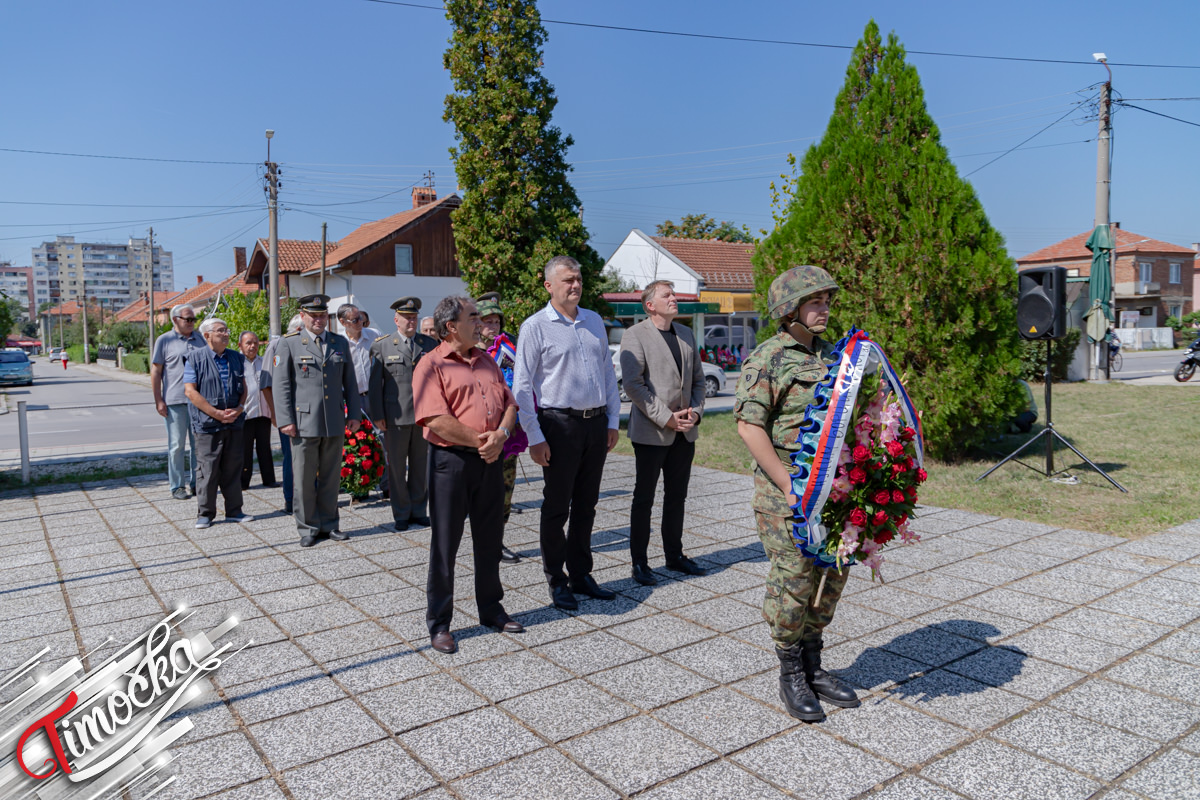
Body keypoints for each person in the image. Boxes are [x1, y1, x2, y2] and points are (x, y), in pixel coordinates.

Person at [735, 265, 861, 723]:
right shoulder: (768, 358)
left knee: (830, 575)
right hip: (785, 495)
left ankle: (813, 663)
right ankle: (790, 672)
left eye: (827, 301)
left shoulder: (834, 357)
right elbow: (749, 426)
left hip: (832, 491)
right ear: (789, 310)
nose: (824, 309)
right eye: (814, 302)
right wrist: (790, 487)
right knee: (793, 581)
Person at [414, 296, 523, 653]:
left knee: (490, 539)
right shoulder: (431, 364)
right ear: (451, 327)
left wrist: (501, 435)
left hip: (490, 459)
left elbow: (510, 403)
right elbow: (435, 418)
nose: (481, 323)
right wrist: (483, 442)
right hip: (451, 462)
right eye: (473, 317)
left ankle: (491, 609)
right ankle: (440, 623)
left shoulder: (487, 359)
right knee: (445, 545)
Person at [513, 255, 621, 610]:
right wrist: (534, 436)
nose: (575, 285)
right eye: (567, 280)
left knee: (587, 505)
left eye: (578, 279)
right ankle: (556, 580)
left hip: (595, 424)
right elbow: (522, 387)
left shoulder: (593, 321)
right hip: (558, 425)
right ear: (549, 286)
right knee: (557, 507)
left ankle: (581, 574)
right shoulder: (535, 327)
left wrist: (612, 421)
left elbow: (607, 373)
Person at [619, 280, 707, 586]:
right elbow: (634, 385)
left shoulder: (685, 333)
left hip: (685, 432)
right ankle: (640, 563)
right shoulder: (635, 335)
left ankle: (674, 555)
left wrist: (696, 413)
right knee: (644, 498)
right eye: (666, 295)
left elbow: (698, 381)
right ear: (650, 305)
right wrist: (666, 417)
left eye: (674, 294)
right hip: (652, 432)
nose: (674, 298)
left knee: (677, 497)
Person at [272, 294, 362, 547]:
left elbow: (350, 382)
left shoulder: (338, 342)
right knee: (304, 479)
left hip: (333, 420)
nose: (318, 320)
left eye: (322, 315)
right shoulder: (289, 343)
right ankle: (308, 527)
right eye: (313, 315)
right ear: (303, 316)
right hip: (303, 422)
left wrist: (354, 414)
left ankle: (330, 524)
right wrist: (285, 420)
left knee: (331, 477)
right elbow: (281, 386)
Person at [368, 297, 437, 531]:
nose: (411, 321)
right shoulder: (382, 346)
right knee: (397, 469)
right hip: (395, 417)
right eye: (406, 318)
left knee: (420, 466)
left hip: (423, 416)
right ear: (396, 320)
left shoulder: (429, 344)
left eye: (414, 317)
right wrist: (378, 414)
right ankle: (401, 513)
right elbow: (375, 384)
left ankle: (418, 510)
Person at [183, 318, 251, 529]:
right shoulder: (194, 358)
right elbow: (190, 391)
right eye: (220, 331)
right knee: (208, 470)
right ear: (207, 335)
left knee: (233, 468)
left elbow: (244, 387)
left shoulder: (236, 357)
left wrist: (239, 408)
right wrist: (216, 413)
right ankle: (205, 513)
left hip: (233, 422)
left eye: (226, 330)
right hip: (207, 424)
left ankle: (235, 510)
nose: (226, 334)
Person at [475, 291, 527, 564]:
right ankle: (482, 541)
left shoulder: (509, 348)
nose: (493, 326)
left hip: (507, 431)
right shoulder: (468, 352)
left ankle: (497, 541)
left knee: (505, 489)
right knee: (481, 493)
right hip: (479, 433)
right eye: (488, 321)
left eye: (496, 322)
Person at [151, 304, 205, 500]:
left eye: (193, 320)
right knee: (177, 445)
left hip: (198, 401)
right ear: (175, 319)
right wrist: (158, 399)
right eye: (188, 319)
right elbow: (156, 371)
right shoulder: (164, 340)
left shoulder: (200, 339)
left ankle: (197, 483)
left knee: (198, 445)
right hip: (175, 400)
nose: (191, 323)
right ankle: (177, 486)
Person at [337, 304, 379, 501]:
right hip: (351, 398)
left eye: (361, 318)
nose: (360, 323)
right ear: (343, 322)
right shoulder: (339, 342)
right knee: (355, 443)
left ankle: (386, 485)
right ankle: (358, 489)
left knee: (381, 439)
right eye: (354, 320)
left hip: (374, 395)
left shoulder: (374, 335)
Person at [260, 314, 302, 514]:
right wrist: (276, 414)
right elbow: (266, 384)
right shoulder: (277, 345)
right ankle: (291, 500)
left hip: (310, 412)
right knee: (291, 457)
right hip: (288, 412)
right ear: (298, 329)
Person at [238, 331, 277, 490]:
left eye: (255, 343)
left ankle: (269, 479)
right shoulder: (237, 363)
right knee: (245, 449)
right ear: (240, 345)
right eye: (248, 343)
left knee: (264, 447)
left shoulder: (264, 362)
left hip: (263, 413)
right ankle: (243, 482)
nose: (252, 346)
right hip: (245, 413)